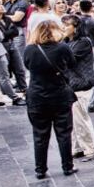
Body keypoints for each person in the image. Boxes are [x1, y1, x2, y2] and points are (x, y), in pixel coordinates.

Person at [23, 20, 77, 177]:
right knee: (64, 133)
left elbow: (27, 66)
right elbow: (72, 63)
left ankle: (40, 170)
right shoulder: (62, 47)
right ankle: (67, 166)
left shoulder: (30, 49)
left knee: (40, 134)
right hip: (59, 94)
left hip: (37, 95)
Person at [61, 14, 94, 162]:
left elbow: (68, 59)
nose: (64, 28)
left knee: (81, 118)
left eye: (67, 25)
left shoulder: (83, 42)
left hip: (81, 84)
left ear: (76, 27)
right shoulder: (66, 41)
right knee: (72, 119)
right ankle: (77, 148)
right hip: (71, 84)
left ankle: (91, 148)